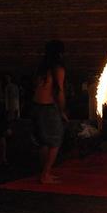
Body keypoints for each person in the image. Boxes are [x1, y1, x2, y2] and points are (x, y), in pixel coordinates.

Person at [32, 40, 68, 184]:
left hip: (36, 106)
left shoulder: (41, 68)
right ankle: (45, 174)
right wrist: (62, 109)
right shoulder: (58, 68)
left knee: (44, 141)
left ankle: (44, 172)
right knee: (55, 141)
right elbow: (59, 90)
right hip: (48, 107)